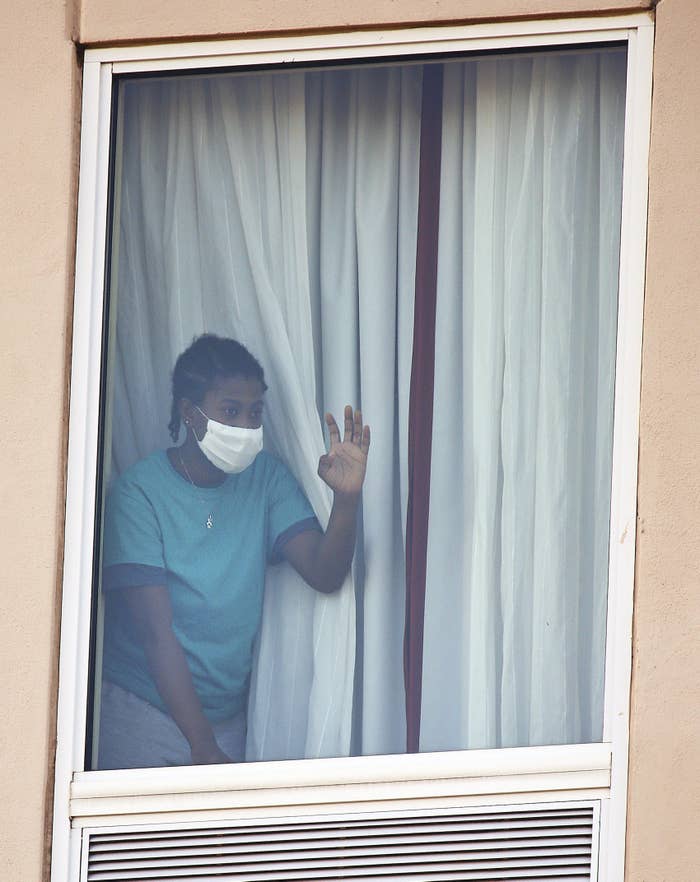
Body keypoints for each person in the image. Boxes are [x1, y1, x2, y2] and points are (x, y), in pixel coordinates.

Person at [97, 334, 370, 769]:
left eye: (255, 412)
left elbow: (324, 573)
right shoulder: (139, 494)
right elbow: (154, 632)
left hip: (225, 721)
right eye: (230, 411)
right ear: (190, 413)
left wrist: (348, 500)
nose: (245, 426)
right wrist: (202, 745)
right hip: (142, 715)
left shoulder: (265, 479)